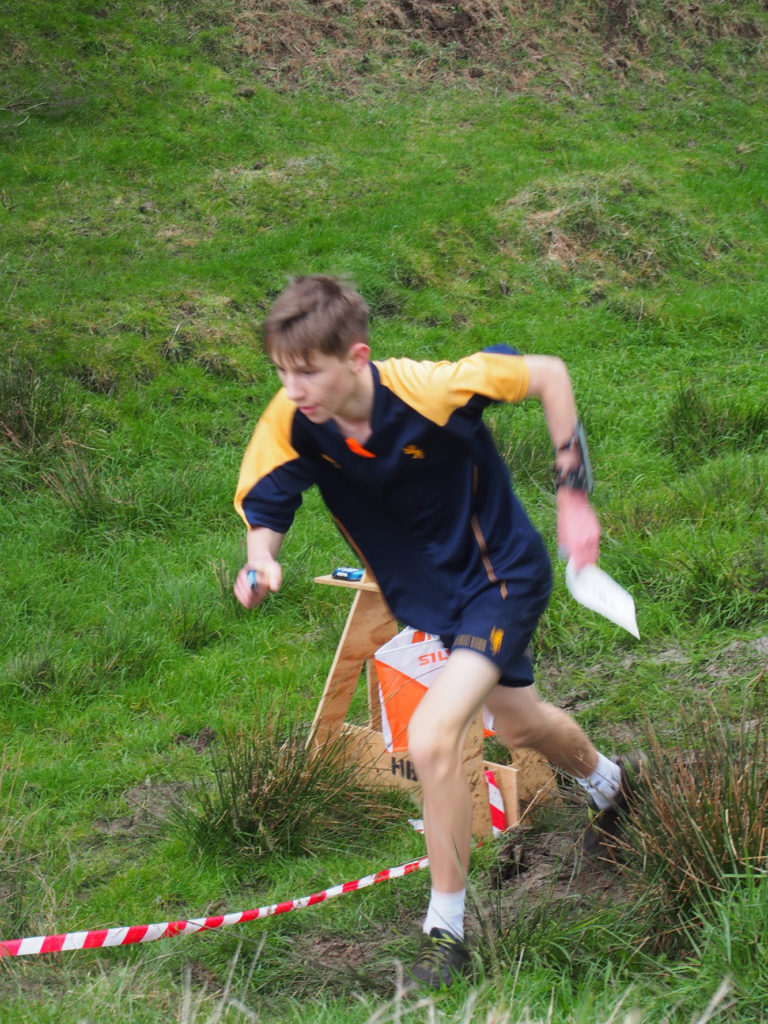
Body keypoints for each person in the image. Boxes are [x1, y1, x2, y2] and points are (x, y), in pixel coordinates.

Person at [233, 274, 639, 990]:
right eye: (282, 373)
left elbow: (549, 374)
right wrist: (260, 558)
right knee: (519, 725)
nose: (293, 388)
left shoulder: (429, 388)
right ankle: (612, 783)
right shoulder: (292, 420)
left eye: (307, 372)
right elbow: (270, 502)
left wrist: (573, 496)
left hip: (502, 577)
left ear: (356, 358)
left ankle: (445, 932)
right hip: (434, 600)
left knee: (432, 735)